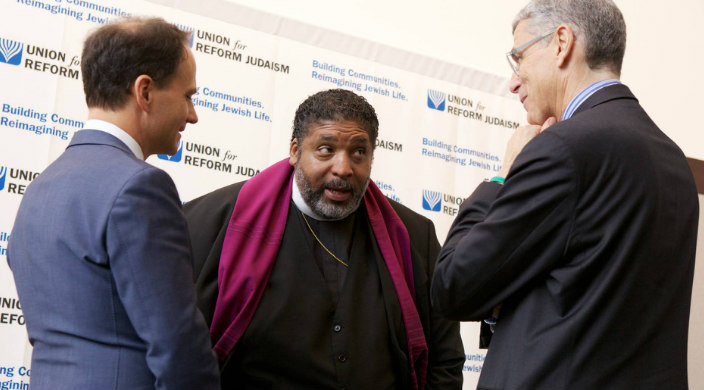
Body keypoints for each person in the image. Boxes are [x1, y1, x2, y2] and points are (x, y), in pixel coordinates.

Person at [430, 0, 698, 389]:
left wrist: (502, 177)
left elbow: (453, 285)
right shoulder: (673, 160)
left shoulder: (563, 148)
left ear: (561, 43)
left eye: (518, 57)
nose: (514, 80)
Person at [184, 88, 465, 389]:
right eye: (326, 150)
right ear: (295, 151)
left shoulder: (413, 235)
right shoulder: (211, 224)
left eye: (359, 152)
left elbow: (444, 359)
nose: (343, 169)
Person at [7, 17, 220, 390]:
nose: (193, 115)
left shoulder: (41, 187)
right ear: (145, 92)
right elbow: (178, 346)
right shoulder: (141, 188)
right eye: (188, 96)